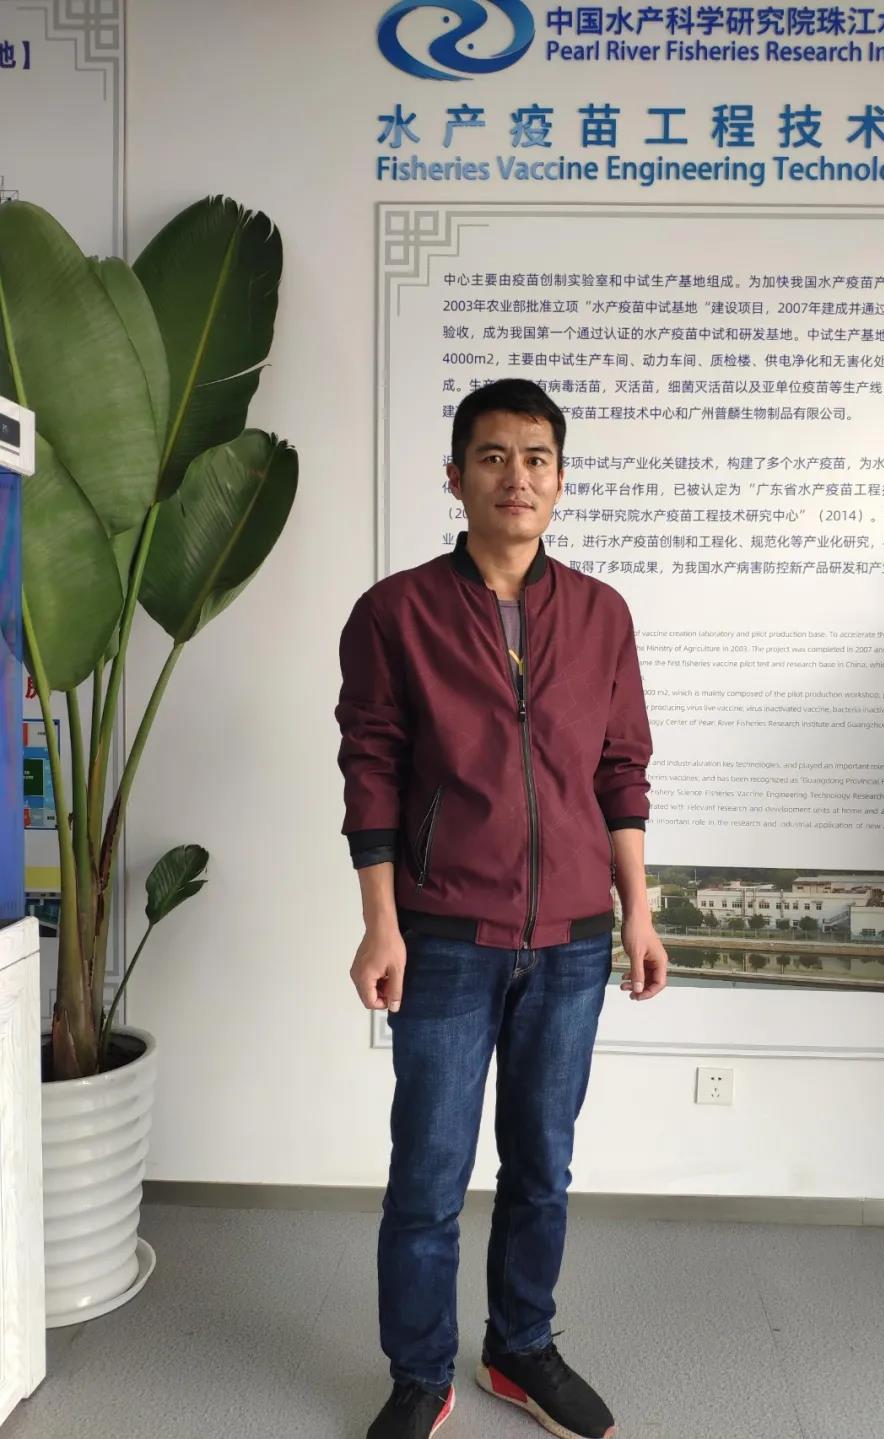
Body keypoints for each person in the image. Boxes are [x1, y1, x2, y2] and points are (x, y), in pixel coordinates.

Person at [336, 378, 668, 1439]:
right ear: (456, 476)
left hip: (571, 945)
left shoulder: (602, 614)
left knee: (542, 1167)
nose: (515, 476)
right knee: (428, 1175)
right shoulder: (396, 613)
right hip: (443, 936)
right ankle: (418, 1374)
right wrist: (381, 922)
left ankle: (520, 1346)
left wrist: (637, 912)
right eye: (491, 456)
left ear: (560, 479)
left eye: (535, 457)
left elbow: (621, 771)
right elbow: (371, 771)